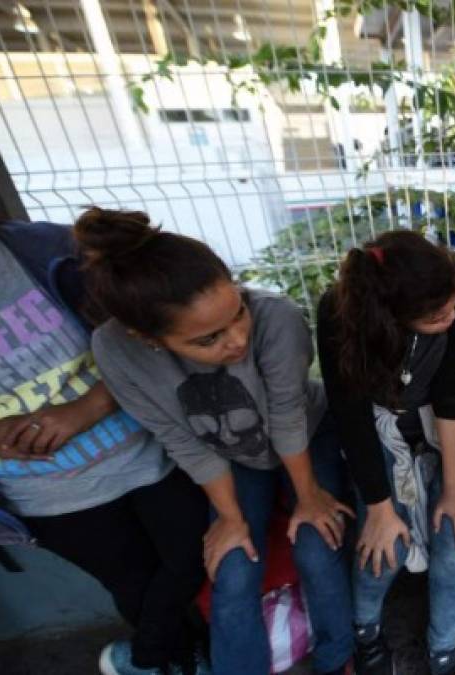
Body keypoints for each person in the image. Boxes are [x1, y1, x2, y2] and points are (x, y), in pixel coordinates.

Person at [81, 208, 355, 675]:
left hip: (308, 434)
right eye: (209, 339)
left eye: (239, 311)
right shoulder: (114, 351)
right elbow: (182, 440)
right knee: (232, 569)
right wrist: (230, 518)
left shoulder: (277, 318)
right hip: (232, 456)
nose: (237, 339)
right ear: (147, 338)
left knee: (318, 542)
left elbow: (288, 414)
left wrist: (308, 497)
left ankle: (339, 657)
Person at [0, 219, 208, 675]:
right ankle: (175, 659)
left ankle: (148, 659)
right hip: (50, 495)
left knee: (191, 557)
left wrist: (90, 406)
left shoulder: (46, 250)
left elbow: (154, 331)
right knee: (133, 583)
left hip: (148, 450)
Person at [317, 231, 455, 675]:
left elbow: (451, 391)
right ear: (390, 316)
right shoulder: (339, 316)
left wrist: (453, 486)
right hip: (374, 426)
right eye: (436, 316)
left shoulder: (454, 291)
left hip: (435, 418)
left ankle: (443, 647)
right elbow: (350, 418)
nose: (452, 316)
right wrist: (380, 508)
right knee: (386, 541)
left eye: (453, 306)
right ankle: (365, 630)